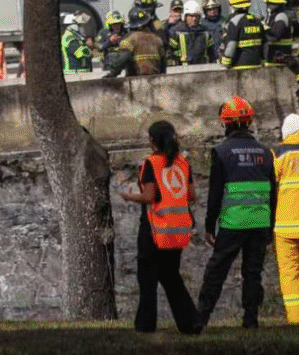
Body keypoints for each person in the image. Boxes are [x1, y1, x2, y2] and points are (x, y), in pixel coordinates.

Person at [197, 96, 276, 329]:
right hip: (260, 221)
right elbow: (273, 192)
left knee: (216, 271)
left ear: (226, 123)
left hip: (234, 223)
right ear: (248, 122)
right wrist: (270, 226)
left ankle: (200, 319)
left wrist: (210, 226)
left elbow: (215, 194)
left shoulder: (222, 152)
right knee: (253, 273)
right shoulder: (265, 152)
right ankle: (250, 320)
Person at [121, 121, 202, 334]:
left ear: (152, 141)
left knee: (148, 279)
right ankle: (191, 321)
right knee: (171, 276)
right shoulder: (183, 163)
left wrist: (129, 196)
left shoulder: (151, 163)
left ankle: (145, 326)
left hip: (154, 230)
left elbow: (149, 196)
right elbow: (191, 196)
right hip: (177, 231)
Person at [272, 113, 299, 323]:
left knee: (290, 275)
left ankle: (295, 320)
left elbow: (270, 186)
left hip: (285, 226)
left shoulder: (278, 153)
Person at [103, 6, 166, 77]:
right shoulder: (157, 40)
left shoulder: (130, 40)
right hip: (155, 79)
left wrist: (112, 74)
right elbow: (163, 64)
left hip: (136, 80)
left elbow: (121, 60)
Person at [220, 0, 264, 70]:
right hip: (257, 65)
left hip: (240, 66)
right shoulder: (256, 21)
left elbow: (231, 44)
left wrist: (225, 62)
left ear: (232, 5)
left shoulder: (234, 22)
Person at [168, 0, 215, 65]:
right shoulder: (176, 32)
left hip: (202, 69)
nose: (194, 19)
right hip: (181, 71)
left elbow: (212, 53)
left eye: (196, 16)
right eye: (191, 16)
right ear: (185, 16)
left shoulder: (205, 32)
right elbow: (169, 53)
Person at [262, 0, 293, 67]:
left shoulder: (281, 17)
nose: (266, 6)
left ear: (271, 3)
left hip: (281, 54)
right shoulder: (272, 16)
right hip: (275, 54)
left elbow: (275, 36)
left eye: (267, 3)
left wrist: (265, 31)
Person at [164, 0, 184, 66]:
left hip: (180, 60)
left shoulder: (185, 26)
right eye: (175, 11)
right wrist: (168, 24)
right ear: (170, 11)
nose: (177, 13)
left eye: (179, 11)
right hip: (168, 59)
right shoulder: (164, 25)